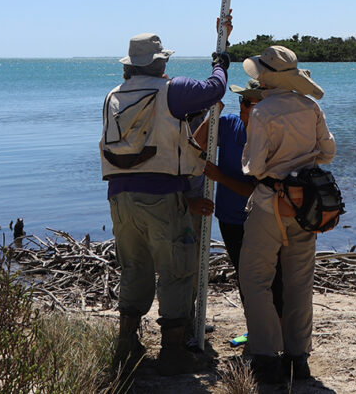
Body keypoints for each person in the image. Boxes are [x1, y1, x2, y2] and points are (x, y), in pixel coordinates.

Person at [100, 20, 232, 376]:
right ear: (159, 63)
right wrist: (222, 61)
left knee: (134, 266)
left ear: (129, 63)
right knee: (176, 268)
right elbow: (213, 90)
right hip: (161, 195)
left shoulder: (113, 95)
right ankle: (173, 351)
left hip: (118, 195)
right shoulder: (171, 90)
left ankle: (127, 343)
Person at [237, 45, 336, 383]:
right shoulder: (311, 106)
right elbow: (329, 152)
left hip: (269, 205)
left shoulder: (263, 112)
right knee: (299, 282)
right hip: (306, 205)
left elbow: (254, 167)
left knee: (255, 280)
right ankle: (298, 359)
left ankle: (265, 357)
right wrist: (301, 163)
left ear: (266, 76)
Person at [193, 80, 284, 330]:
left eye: (248, 102)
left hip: (260, 218)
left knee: (268, 277)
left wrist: (220, 176)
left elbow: (256, 190)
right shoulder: (229, 124)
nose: (242, 106)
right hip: (229, 218)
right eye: (241, 101)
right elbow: (197, 144)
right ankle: (254, 328)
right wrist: (214, 114)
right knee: (243, 277)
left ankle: (275, 328)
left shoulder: (269, 136)